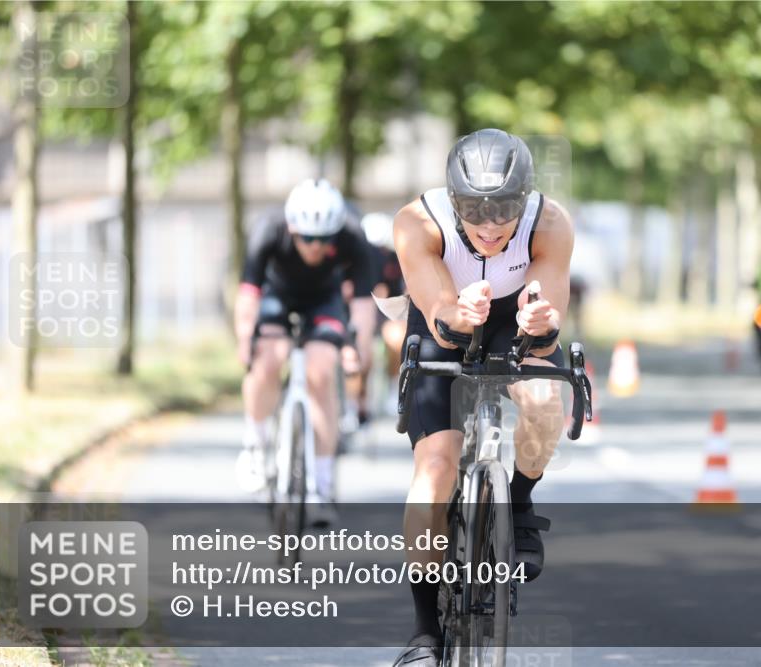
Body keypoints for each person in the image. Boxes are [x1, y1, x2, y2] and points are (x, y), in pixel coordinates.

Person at [391, 129, 574, 666]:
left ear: (525, 199)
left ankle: (517, 504)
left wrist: (540, 324)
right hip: (442, 319)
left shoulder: (551, 224)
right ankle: (425, 631)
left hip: (511, 322)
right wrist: (453, 317)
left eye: (504, 211)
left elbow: (547, 327)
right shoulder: (416, 223)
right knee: (435, 468)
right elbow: (437, 308)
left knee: (544, 404)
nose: (491, 226)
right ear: (453, 200)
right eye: (475, 210)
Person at [233, 178, 377, 518]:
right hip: (276, 296)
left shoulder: (354, 238)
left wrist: (359, 351)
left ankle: (321, 485)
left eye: (323, 239)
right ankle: (254, 445)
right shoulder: (269, 229)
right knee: (268, 359)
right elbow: (248, 295)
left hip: (324, 301)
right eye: (307, 238)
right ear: (292, 228)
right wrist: (244, 340)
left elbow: (362, 308)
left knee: (321, 372)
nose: (315, 247)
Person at [361, 212, 408, 415]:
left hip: (390, 311)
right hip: (363, 310)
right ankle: (358, 400)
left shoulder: (396, 259)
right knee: (359, 349)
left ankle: (393, 386)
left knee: (396, 340)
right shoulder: (357, 260)